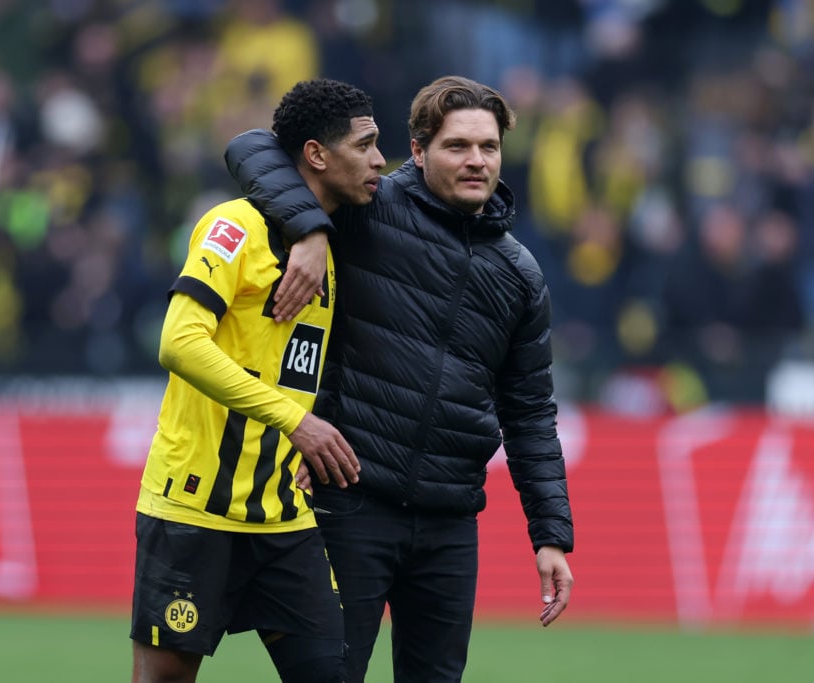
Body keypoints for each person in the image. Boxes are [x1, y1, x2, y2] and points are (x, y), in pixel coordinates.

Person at [225, 75, 574, 683]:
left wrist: (550, 535)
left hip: (450, 522)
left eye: (488, 147)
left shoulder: (521, 274)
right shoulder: (366, 210)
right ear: (417, 151)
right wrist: (307, 227)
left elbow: (530, 415)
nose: (476, 161)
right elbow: (253, 148)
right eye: (457, 146)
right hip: (350, 501)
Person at [130, 78, 386, 683]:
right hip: (193, 506)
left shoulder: (343, 241)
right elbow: (179, 342)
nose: (380, 159)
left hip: (282, 514)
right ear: (317, 155)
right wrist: (298, 421)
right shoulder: (234, 227)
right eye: (366, 144)